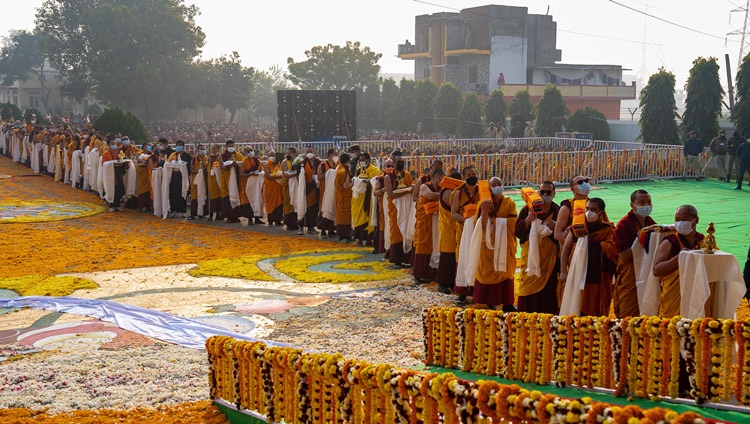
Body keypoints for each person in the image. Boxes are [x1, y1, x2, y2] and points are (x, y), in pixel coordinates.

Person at [559, 198, 617, 317]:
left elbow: (612, 250)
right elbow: (566, 250)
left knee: (594, 310)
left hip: (599, 277)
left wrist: (590, 243)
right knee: (575, 305)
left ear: (601, 212)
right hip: (576, 273)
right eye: (587, 209)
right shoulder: (576, 228)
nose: (589, 212)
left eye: (594, 209)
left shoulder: (608, 230)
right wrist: (563, 271)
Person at [471, 177, 518, 311]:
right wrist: (485, 212)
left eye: (499, 183)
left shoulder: (510, 203)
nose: (497, 186)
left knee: (506, 271)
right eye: (493, 184)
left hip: (505, 244)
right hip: (488, 244)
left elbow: (512, 224)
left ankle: (507, 302)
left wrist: (494, 221)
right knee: (487, 270)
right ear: (489, 188)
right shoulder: (482, 203)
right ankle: (489, 300)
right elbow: (480, 225)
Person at [652, 205, 705, 318]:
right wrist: (679, 258)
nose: (680, 223)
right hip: (674, 297)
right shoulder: (670, 242)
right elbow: (656, 270)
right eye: (677, 219)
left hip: (698, 293)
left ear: (696, 220)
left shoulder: (703, 241)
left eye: (684, 219)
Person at [516, 181, 560, 314]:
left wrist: (556, 225)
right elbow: (518, 232)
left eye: (549, 192)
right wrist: (530, 218)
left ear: (554, 194)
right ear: (538, 193)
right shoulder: (527, 209)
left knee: (548, 288)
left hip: (549, 258)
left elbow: (563, 233)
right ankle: (525, 314)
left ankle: (547, 317)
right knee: (527, 285)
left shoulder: (557, 210)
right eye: (542, 192)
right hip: (530, 256)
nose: (545, 195)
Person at [612, 189, 656, 318]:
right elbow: (624, 256)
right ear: (632, 205)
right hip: (630, 274)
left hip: (646, 272)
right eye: (641, 202)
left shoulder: (650, 223)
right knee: (628, 315)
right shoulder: (623, 225)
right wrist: (641, 241)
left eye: (649, 202)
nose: (646, 205)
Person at [452, 166, 480, 301]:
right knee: (463, 258)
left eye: (473, 174)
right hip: (463, 230)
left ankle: (479, 292)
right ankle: (462, 293)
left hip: (479, 229)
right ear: (464, 177)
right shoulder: (458, 192)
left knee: (478, 259)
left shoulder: (483, 190)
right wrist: (468, 222)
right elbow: (454, 214)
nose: (471, 176)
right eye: (468, 175)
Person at [412, 168, 444, 282]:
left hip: (436, 221)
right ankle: (419, 274)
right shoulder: (424, 186)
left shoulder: (441, 188)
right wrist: (446, 195)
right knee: (423, 246)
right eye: (442, 178)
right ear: (437, 176)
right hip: (425, 221)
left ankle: (433, 273)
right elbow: (430, 196)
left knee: (435, 246)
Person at [383, 152, 413, 266]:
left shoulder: (408, 175)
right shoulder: (388, 177)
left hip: (407, 207)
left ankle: (407, 259)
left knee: (406, 230)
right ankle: (397, 260)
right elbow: (391, 194)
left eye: (402, 162)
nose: (400, 164)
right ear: (393, 163)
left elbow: (411, 188)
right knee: (396, 231)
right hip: (395, 208)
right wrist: (406, 191)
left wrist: (410, 189)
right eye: (398, 162)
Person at [436, 171, 463, 294]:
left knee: (454, 257)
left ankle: (453, 282)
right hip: (448, 228)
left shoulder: (454, 192)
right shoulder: (448, 192)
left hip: (455, 229)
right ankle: (443, 284)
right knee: (447, 257)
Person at [352, 153, 380, 247]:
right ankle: (359, 239)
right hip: (359, 198)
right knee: (359, 217)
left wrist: (368, 181)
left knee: (370, 217)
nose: (361, 162)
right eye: (360, 160)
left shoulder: (375, 170)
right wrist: (358, 180)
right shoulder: (359, 170)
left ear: (368, 160)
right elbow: (355, 180)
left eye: (363, 160)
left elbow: (376, 182)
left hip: (370, 198)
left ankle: (369, 239)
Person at [219, 140, 244, 223]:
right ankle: (229, 216)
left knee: (236, 195)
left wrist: (237, 165)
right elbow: (221, 166)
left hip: (236, 178)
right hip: (227, 179)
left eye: (232, 146)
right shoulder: (222, 156)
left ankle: (236, 216)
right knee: (227, 198)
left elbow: (242, 164)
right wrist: (230, 166)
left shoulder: (239, 155)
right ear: (226, 147)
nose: (231, 148)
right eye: (229, 146)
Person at [166, 140, 192, 218]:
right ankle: (173, 210)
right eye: (177, 145)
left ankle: (182, 210)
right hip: (174, 176)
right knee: (173, 193)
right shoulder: (173, 155)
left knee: (182, 193)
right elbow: (167, 163)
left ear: (183, 146)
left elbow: (189, 166)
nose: (178, 147)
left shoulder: (187, 156)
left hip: (182, 177)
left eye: (180, 145)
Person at [298, 147, 320, 235]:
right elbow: (298, 174)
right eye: (308, 152)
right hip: (305, 189)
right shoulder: (302, 162)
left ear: (314, 152)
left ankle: (311, 227)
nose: (309, 153)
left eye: (311, 151)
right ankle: (301, 226)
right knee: (303, 206)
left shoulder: (318, 162)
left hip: (315, 188)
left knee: (313, 209)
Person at [317, 148, 339, 238]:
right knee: (324, 208)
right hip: (325, 190)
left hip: (334, 190)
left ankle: (331, 230)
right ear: (330, 155)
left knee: (332, 208)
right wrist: (329, 173)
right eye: (335, 154)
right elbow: (319, 177)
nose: (336, 156)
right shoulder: (322, 165)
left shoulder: (337, 164)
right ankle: (322, 230)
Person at [240, 147, 264, 224]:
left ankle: (257, 218)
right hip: (247, 184)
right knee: (248, 201)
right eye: (248, 151)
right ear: (245, 153)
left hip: (256, 184)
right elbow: (241, 174)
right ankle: (250, 219)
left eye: (251, 150)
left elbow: (261, 170)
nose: (250, 152)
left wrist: (258, 173)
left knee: (257, 199)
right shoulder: (244, 162)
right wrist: (250, 174)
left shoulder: (258, 161)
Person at [334, 153, 353, 241]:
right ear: (348, 160)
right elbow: (346, 185)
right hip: (345, 197)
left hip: (339, 195)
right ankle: (345, 234)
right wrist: (354, 183)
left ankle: (341, 234)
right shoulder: (344, 171)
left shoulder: (339, 168)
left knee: (341, 215)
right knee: (345, 216)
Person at [263, 151, 284, 226]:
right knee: (271, 203)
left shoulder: (279, 164)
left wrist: (280, 175)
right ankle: (271, 221)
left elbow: (282, 172)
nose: (272, 157)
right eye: (270, 155)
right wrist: (278, 176)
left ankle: (278, 221)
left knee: (279, 202)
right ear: (268, 156)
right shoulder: (266, 164)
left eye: (273, 155)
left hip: (278, 187)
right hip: (270, 187)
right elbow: (268, 175)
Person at [190, 144, 209, 220]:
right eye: (201, 149)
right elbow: (192, 170)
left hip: (204, 180)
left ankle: (203, 214)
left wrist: (203, 170)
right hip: (195, 180)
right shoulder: (194, 159)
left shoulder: (207, 159)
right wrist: (199, 171)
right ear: (197, 150)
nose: (202, 151)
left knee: (203, 195)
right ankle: (193, 214)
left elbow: (207, 169)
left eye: (204, 149)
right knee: (194, 197)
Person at [281, 147, 298, 231]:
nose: (288, 155)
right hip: (288, 185)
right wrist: (295, 174)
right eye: (287, 153)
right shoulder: (284, 162)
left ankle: (296, 223)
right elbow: (285, 173)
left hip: (296, 184)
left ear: (294, 154)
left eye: (289, 153)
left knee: (296, 202)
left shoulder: (297, 161)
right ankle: (289, 223)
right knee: (288, 202)